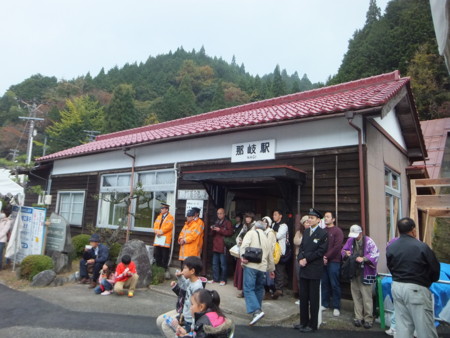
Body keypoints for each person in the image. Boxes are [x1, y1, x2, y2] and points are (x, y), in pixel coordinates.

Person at [386, 217, 440, 338]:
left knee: (403, 327)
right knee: (424, 328)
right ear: (413, 230)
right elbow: (435, 269)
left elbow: (390, 266)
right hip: (416, 288)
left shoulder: (391, 247)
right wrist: (429, 280)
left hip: (397, 286)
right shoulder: (421, 246)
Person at [295, 208, 328, 333]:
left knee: (313, 298)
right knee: (303, 297)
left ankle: (312, 324)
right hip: (304, 268)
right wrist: (300, 258)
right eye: (308, 217)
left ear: (318, 220)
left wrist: (306, 259)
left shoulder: (322, 233)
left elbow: (320, 251)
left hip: (314, 269)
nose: (309, 219)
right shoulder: (307, 231)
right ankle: (303, 322)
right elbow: (301, 248)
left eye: (312, 218)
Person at [342, 224, 379, 329]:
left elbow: (375, 254)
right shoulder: (350, 241)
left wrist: (364, 258)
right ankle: (358, 317)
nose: (354, 237)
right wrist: (346, 253)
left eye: (356, 234)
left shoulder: (369, 241)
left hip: (365, 271)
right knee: (356, 295)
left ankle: (368, 319)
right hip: (353, 272)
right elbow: (343, 251)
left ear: (360, 233)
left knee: (367, 297)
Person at [157, 256, 204, 337]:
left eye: (185, 268)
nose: (182, 271)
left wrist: (192, 326)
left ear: (192, 271)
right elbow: (183, 286)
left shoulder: (197, 287)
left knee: (166, 326)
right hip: (183, 314)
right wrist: (179, 277)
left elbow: (197, 309)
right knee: (160, 321)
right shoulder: (190, 281)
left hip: (189, 320)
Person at [240, 220, 275, 326]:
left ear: (255, 227)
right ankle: (257, 310)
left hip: (251, 265)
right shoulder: (267, 237)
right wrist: (271, 269)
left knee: (248, 288)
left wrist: (243, 256)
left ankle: (256, 311)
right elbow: (270, 255)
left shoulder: (250, 233)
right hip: (262, 267)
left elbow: (244, 246)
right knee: (259, 288)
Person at [321, 211, 344, 317]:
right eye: (325, 217)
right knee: (324, 282)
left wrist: (326, 256)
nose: (325, 218)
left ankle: (336, 306)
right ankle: (325, 304)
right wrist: (323, 256)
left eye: (328, 217)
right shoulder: (323, 231)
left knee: (334, 284)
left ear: (333, 219)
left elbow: (337, 247)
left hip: (334, 261)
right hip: (323, 261)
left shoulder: (337, 231)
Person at [208, 208, 233, 286]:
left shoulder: (228, 222)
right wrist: (212, 229)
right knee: (215, 263)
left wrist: (220, 230)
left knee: (223, 264)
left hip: (223, 246)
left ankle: (223, 279)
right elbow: (211, 234)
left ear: (224, 214)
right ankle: (215, 279)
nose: (219, 215)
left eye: (221, 213)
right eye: (218, 213)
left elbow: (230, 232)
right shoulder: (216, 222)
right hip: (215, 245)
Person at [233, 211, 255, 298]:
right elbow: (238, 237)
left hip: (251, 252)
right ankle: (243, 291)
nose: (247, 219)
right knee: (242, 272)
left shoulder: (254, 227)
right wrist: (240, 242)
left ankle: (248, 292)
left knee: (249, 273)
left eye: (249, 217)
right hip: (243, 251)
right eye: (246, 217)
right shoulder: (245, 227)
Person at [153, 203, 175, 279]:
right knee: (157, 253)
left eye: (163, 208)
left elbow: (168, 227)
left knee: (164, 255)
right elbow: (155, 225)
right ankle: (158, 268)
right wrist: (156, 231)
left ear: (166, 209)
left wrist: (160, 232)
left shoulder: (170, 217)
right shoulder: (159, 217)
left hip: (165, 239)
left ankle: (164, 269)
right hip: (158, 238)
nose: (161, 210)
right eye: (161, 208)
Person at [271, 209, 289, 299]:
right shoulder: (273, 224)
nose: (274, 216)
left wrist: (271, 232)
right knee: (273, 269)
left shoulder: (284, 225)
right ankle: (274, 288)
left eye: (275, 214)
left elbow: (278, 236)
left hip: (280, 250)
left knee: (279, 270)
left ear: (280, 216)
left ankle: (279, 289)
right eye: (273, 215)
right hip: (273, 249)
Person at [293, 215, 309, 305]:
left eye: (308, 222)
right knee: (299, 278)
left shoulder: (313, 232)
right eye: (306, 222)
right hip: (298, 257)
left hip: (308, 258)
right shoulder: (299, 232)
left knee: (308, 279)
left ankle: (309, 298)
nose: (307, 224)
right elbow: (296, 241)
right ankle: (302, 297)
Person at [262, 216, 277, 300]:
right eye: (263, 222)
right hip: (264, 256)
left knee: (269, 276)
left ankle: (273, 290)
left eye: (265, 222)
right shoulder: (263, 231)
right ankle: (270, 292)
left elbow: (270, 245)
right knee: (265, 277)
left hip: (268, 256)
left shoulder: (270, 232)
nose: (264, 223)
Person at [0, 206, 12, 270]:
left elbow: (4, 231)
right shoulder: (1, 219)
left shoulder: (8, 221)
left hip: (1, 240)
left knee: (0, 254)